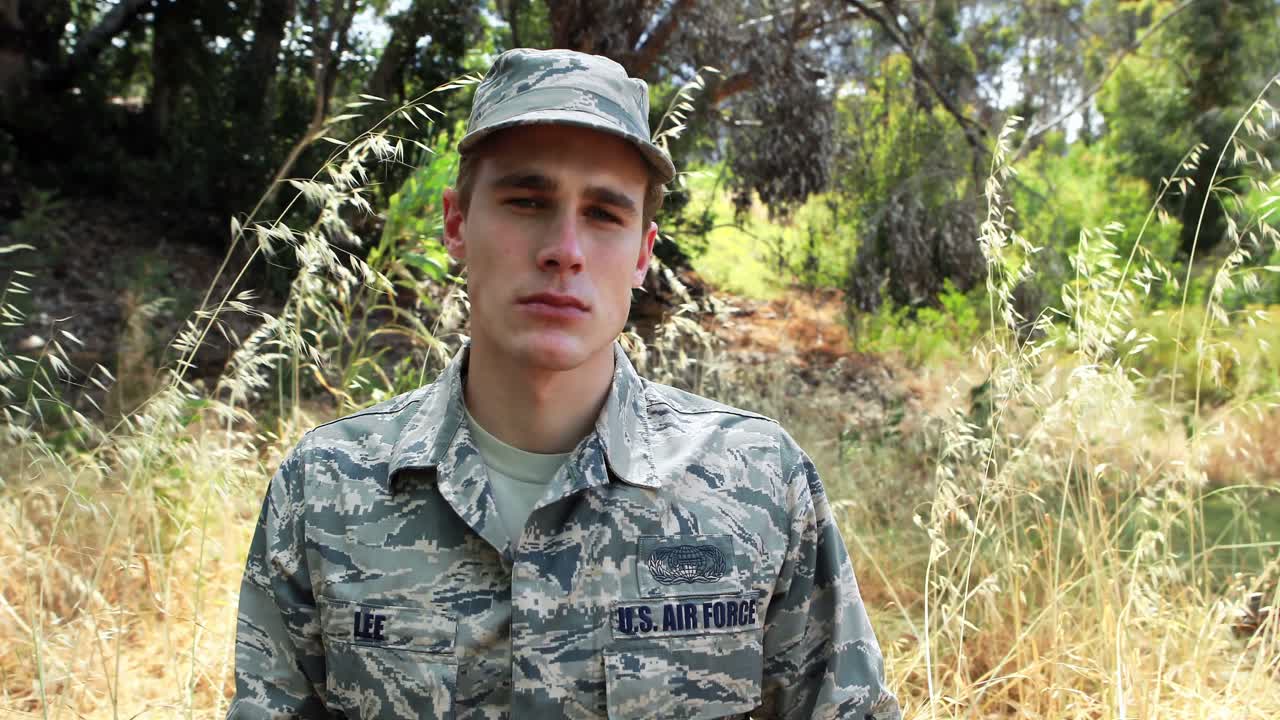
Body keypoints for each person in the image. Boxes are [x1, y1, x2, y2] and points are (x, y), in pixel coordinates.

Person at [229, 48, 901, 720]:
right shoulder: (326, 487)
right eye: (527, 201)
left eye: (604, 214)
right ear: (457, 225)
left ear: (642, 254)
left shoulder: (758, 483)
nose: (565, 250)